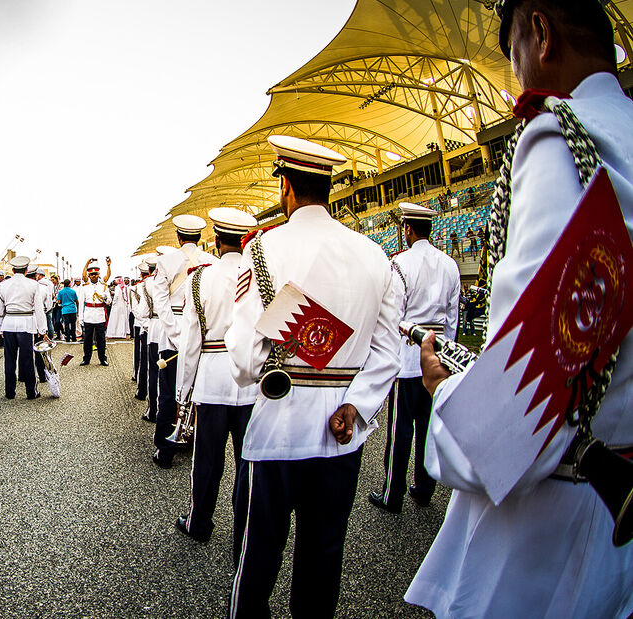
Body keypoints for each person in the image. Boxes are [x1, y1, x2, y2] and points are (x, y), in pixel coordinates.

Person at [406, 2, 633, 616]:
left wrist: (446, 396)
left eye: (512, 56)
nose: (516, 75)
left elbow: (519, 421)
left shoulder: (561, 138)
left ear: (540, 32)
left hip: (557, 527)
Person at [226, 135, 400, 617]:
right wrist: (357, 406)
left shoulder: (264, 251)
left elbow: (242, 358)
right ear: (329, 187)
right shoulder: (375, 255)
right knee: (322, 566)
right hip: (343, 434)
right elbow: (389, 351)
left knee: (257, 561)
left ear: (285, 186)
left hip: (280, 428)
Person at [173, 207, 259, 543]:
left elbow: (190, 343)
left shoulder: (200, 278)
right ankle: (246, 524)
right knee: (247, 459)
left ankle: (199, 522)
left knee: (207, 458)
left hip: (211, 377)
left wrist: (184, 393)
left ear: (217, 239)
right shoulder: (259, 276)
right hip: (251, 379)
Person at [369, 203, 460, 514]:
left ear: (407, 229)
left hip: (408, 355)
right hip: (437, 355)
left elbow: (394, 315)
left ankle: (391, 494)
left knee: (400, 430)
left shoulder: (400, 263)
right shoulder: (450, 264)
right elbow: (453, 316)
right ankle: (424, 487)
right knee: (427, 425)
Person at [151, 215, 213, 468]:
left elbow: (161, 302)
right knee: (199, 391)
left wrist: (176, 335)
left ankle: (164, 450)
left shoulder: (166, 261)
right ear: (199, 237)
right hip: (202, 330)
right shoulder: (212, 261)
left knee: (168, 393)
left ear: (178, 237)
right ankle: (193, 442)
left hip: (172, 329)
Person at [0, 256, 46, 399]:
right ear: (26, 270)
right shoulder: (33, 284)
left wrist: (1, 328)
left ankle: (9, 392)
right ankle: (31, 392)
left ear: (12, 269)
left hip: (9, 322)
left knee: (9, 359)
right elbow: (39, 309)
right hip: (26, 323)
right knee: (28, 359)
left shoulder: (3, 285)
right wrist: (42, 330)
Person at [77, 260, 111, 366]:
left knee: (101, 340)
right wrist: (81, 318)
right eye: (91, 274)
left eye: (95, 274)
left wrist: (105, 299)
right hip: (88, 315)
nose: (93, 276)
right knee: (87, 339)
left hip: (100, 315)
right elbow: (81, 303)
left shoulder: (104, 286)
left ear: (98, 274)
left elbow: (109, 301)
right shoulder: (85, 287)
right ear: (89, 275)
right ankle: (86, 359)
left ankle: (103, 359)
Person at [140, 257, 160, 420]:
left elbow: (142, 313)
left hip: (155, 331)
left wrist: (148, 327)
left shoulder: (146, 284)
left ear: (148, 270)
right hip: (177, 332)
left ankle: (153, 410)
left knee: (153, 371)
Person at [131, 262, 151, 402]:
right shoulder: (138, 287)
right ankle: (139, 380)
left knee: (142, 357)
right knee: (141, 356)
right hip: (143, 325)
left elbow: (135, 309)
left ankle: (141, 386)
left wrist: (145, 324)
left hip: (143, 325)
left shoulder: (139, 287)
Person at [28, 264, 52, 383]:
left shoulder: (20, 287)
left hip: (24, 322)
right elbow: (48, 306)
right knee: (39, 350)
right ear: (36, 275)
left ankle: (24, 376)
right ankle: (42, 376)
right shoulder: (42, 287)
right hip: (38, 320)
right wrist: (43, 330)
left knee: (25, 352)